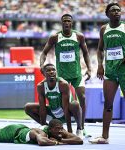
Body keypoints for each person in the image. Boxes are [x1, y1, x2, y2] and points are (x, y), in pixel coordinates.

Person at [40, 14, 92, 137]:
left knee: (82, 98)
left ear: (72, 23)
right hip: (62, 76)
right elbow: (43, 53)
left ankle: (81, 128)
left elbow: (85, 53)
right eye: (64, 21)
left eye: (69, 21)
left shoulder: (79, 36)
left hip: (76, 75)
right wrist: (41, 65)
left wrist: (89, 69)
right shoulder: (55, 37)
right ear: (61, 23)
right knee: (65, 104)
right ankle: (65, 128)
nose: (67, 23)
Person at [89, 2, 125, 144]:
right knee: (108, 105)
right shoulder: (104, 29)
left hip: (124, 70)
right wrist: (100, 65)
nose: (116, 12)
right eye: (113, 10)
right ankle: (105, 137)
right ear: (107, 14)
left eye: (118, 10)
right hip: (110, 71)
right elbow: (99, 49)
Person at [25, 63, 83, 138]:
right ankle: (48, 128)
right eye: (48, 70)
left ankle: (79, 129)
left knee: (75, 104)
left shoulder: (63, 84)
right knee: (28, 107)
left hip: (67, 112)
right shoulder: (41, 86)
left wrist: (69, 131)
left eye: (53, 70)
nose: (52, 72)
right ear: (43, 73)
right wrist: (43, 128)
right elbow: (42, 108)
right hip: (53, 112)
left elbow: (65, 107)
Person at [0, 119, 83, 146]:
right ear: (50, 130)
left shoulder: (58, 131)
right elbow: (42, 141)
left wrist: (62, 139)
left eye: (61, 128)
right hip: (12, 133)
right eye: (57, 129)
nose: (60, 131)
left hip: (22, 128)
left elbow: (79, 140)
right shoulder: (41, 132)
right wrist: (57, 143)